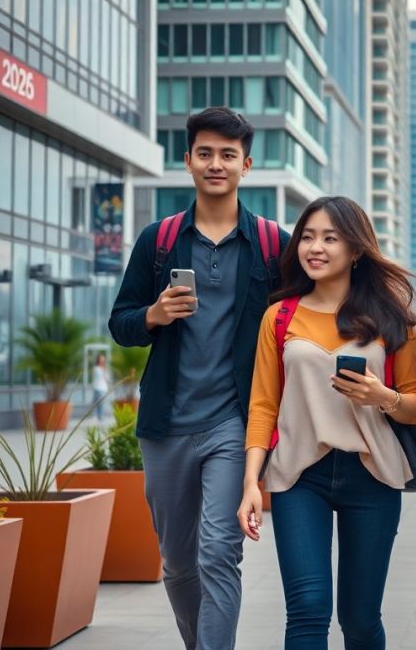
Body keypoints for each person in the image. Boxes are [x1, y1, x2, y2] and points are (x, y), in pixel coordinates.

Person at [108, 107, 289, 650]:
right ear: (187, 161)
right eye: (205, 153)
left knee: (218, 553)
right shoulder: (158, 240)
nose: (216, 164)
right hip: (164, 424)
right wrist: (153, 316)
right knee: (178, 562)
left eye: (228, 155)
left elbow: (300, 320)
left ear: (246, 164)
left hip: (232, 423)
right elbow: (120, 324)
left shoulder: (273, 244)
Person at [238, 196, 416, 650]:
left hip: (373, 475)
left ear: (356, 249)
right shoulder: (279, 316)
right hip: (299, 477)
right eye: (307, 237)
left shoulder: (390, 316)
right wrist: (251, 481)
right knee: (307, 610)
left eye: (330, 238)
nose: (315, 247)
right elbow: (263, 405)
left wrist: (383, 397)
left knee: (360, 619)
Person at [91, 353, 109, 421]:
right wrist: (103, 370)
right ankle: (98, 416)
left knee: (101, 403)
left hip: (103, 388)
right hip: (98, 388)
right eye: (101, 359)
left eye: (103, 359)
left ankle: (100, 417)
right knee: (97, 403)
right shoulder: (96, 368)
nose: (102, 360)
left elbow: (107, 378)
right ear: (98, 360)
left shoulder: (105, 369)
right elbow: (99, 377)